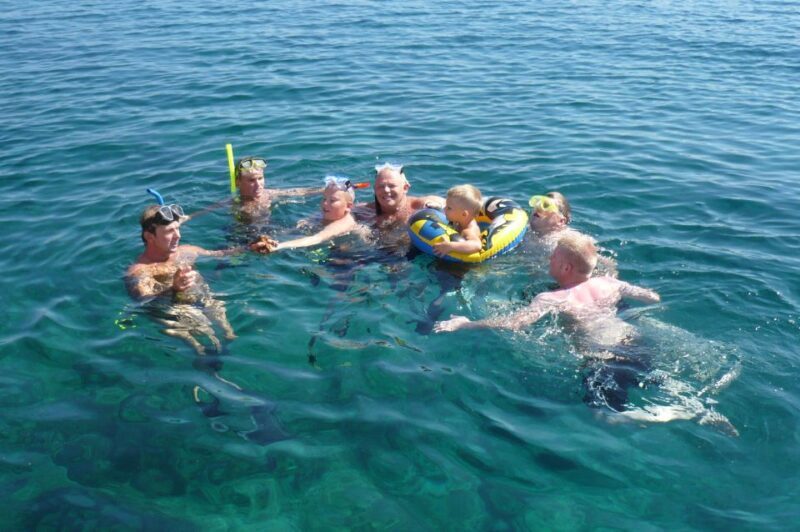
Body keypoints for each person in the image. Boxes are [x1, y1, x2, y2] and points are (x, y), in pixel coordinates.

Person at [434, 233, 661, 412]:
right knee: (659, 383)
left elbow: (516, 323)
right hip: (634, 341)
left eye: (553, 257)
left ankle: (645, 417)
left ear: (566, 268)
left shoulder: (554, 298)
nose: (549, 259)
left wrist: (466, 324)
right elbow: (651, 297)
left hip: (604, 357)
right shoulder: (608, 282)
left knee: (603, 414)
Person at [126, 203, 245, 354]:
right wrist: (173, 289)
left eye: (178, 228)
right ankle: (204, 358)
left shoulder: (187, 251)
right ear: (150, 236)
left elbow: (221, 254)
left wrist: (251, 247)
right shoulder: (139, 271)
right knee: (206, 336)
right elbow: (144, 300)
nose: (178, 235)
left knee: (229, 332)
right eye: (170, 231)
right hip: (174, 310)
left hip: (205, 299)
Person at [251, 176, 370, 254]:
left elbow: (316, 238)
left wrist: (278, 246)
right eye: (324, 198)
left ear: (348, 207)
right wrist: (272, 239)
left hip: (349, 255)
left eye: (332, 201)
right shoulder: (327, 212)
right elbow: (298, 228)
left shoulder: (343, 223)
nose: (325, 203)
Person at [528, 191, 617, 277]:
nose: (538, 208)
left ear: (561, 221)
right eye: (537, 203)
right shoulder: (527, 231)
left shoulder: (566, 240)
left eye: (546, 206)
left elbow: (601, 261)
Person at [361, 163, 444, 228]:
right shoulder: (365, 211)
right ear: (374, 189)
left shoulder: (416, 206)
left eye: (391, 186)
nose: (386, 190)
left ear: (405, 188)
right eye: (381, 186)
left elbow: (444, 203)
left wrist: (435, 206)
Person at [432, 184, 483, 257]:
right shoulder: (461, 220)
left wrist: (450, 246)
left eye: (449, 208)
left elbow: (477, 245)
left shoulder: (468, 231)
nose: (444, 209)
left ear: (464, 214)